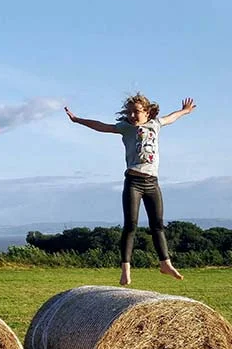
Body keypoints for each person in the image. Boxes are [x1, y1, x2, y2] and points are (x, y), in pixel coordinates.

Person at [64, 94, 196, 286]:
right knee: (130, 225)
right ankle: (125, 269)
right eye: (129, 112)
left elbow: (172, 117)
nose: (132, 115)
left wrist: (184, 111)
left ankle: (165, 263)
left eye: (137, 112)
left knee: (157, 225)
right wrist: (77, 120)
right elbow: (101, 126)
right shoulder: (125, 128)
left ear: (147, 112)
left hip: (152, 183)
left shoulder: (156, 124)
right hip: (133, 181)